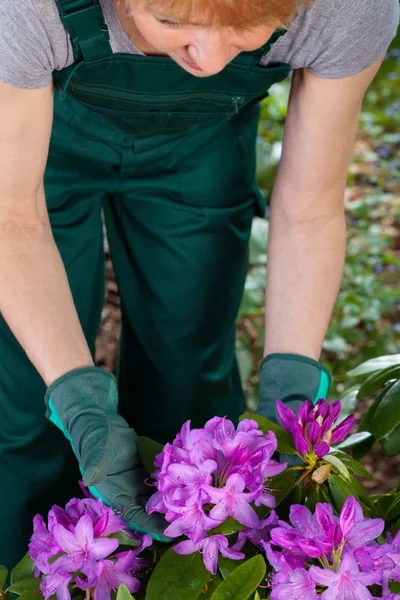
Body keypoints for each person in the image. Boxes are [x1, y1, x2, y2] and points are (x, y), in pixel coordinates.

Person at [0, 0, 398, 570]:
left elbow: (309, 208)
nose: (208, 60)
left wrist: (292, 399)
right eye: (174, 24)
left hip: (201, 147)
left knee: (191, 391)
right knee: (31, 406)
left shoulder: (348, 7)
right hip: (37, 141)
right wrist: (80, 403)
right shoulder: (25, 9)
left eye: (246, 30)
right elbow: (10, 216)